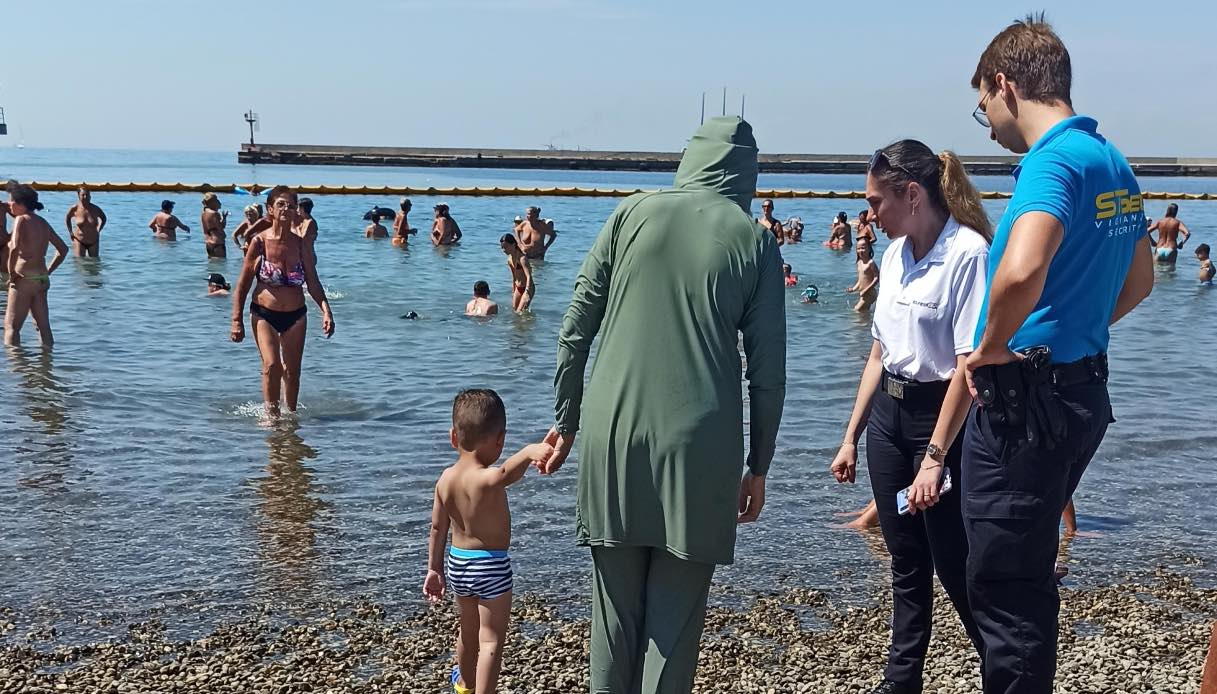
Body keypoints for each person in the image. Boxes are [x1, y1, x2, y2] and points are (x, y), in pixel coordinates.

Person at [540, 117, 785, 693]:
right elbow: (768, 374)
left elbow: (575, 328)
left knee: (612, 616)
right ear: (748, 171)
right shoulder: (755, 240)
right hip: (700, 446)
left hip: (611, 433)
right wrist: (759, 464)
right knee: (672, 629)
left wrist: (566, 420)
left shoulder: (630, 213)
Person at [964, 16, 1154, 692]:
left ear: (1005, 84)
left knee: (1002, 587)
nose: (984, 122)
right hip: (1078, 395)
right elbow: (1140, 280)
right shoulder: (1110, 159)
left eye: (981, 102)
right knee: (1025, 570)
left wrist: (987, 350)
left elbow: (1020, 269)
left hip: (1024, 406)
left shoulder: (1050, 162)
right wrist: (1072, 327)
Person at [830, 140, 994, 694]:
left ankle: (1005, 673)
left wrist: (935, 460)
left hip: (939, 421)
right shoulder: (896, 255)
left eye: (877, 200)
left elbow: (968, 369)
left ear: (914, 195)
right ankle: (901, 684)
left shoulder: (968, 254)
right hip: (888, 422)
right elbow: (879, 353)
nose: (870, 213)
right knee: (905, 562)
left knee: (954, 562)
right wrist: (851, 436)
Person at [423, 389, 554, 694]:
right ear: (500, 440)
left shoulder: (445, 479)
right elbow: (506, 473)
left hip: (458, 565)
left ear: (453, 437)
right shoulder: (486, 479)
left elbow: (436, 528)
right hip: (491, 567)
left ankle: (465, 686)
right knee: (491, 640)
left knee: (468, 633)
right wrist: (531, 450)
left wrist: (434, 569)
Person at [230, 185, 335, 416]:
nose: (286, 208)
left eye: (291, 205)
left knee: (293, 372)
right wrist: (236, 320)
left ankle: (292, 416)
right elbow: (243, 284)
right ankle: (271, 415)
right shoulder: (259, 243)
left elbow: (313, 282)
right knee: (272, 365)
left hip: (296, 316)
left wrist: (326, 310)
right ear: (270, 209)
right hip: (264, 313)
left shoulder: (300, 244)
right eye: (281, 204)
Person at [4, 182, 69, 347]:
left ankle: (15, 369)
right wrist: (48, 271)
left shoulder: (21, 220)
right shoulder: (42, 222)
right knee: (43, 327)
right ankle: (47, 365)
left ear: (20, 204)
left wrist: (12, 274)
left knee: (12, 327)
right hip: (41, 279)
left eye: (11, 201)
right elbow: (63, 249)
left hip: (24, 279)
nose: (8, 204)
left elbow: (15, 249)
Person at [64, 186, 107, 257]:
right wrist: (70, 232)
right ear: (78, 196)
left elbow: (104, 218)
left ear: (90, 196)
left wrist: (99, 229)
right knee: (80, 263)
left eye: (87, 195)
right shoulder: (75, 208)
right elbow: (67, 218)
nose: (85, 197)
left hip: (94, 241)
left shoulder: (96, 209)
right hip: (79, 240)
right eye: (83, 195)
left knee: (94, 264)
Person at [499, 234, 534, 312]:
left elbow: (529, 276)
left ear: (513, 244)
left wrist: (527, 292)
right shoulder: (509, 260)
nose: (504, 250)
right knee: (515, 310)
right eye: (502, 248)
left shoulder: (522, 258)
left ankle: (527, 322)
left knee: (520, 311)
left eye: (506, 247)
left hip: (527, 288)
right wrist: (514, 290)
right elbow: (514, 276)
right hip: (518, 287)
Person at [846, 239, 880, 313]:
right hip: (863, 293)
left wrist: (866, 290)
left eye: (863, 248)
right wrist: (853, 289)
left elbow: (877, 278)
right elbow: (861, 280)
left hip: (870, 294)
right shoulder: (859, 262)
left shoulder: (871, 263)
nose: (860, 250)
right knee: (863, 312)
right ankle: (867, 323)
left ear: (869, 249)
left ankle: (861, 324)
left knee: (857, 310)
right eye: (858, 248)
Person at [201, 193, 229, 259]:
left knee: (212, 265)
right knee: (220, 267)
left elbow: (212, 226)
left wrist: (224, 217)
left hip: (208, 243)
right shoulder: (215, 214)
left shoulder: (203, 213)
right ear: (212, 202)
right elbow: (221, 227)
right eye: (216, 200)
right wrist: (224, 219)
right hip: (218, 243)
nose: (218, 201)